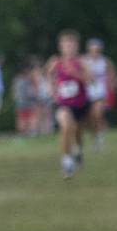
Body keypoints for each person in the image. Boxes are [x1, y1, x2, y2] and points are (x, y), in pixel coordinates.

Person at [47, 30, 90, 179]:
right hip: (62, 103)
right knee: (66, 127)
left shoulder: (81, 62)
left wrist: (75, 73)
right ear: (60, 46)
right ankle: (67, 161)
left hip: (79, 104)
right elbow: (48, 76)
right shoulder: (55, 62)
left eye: (72, 45)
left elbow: (91, 80)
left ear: (77, 46)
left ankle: (78, 151)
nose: (69, 48)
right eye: (66, 45)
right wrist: (51, 89)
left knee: (77, 133)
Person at [84, 38, 113, 149]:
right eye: (93, 48)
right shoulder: (84, 60)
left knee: (98, 114)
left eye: (97, 48)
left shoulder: (105, 61)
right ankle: (95, 136)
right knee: (91, 117)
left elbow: (111, 72)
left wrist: (109, 86)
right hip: (87, 93)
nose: (95, 50)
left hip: (100, 93)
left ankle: (100, 136)